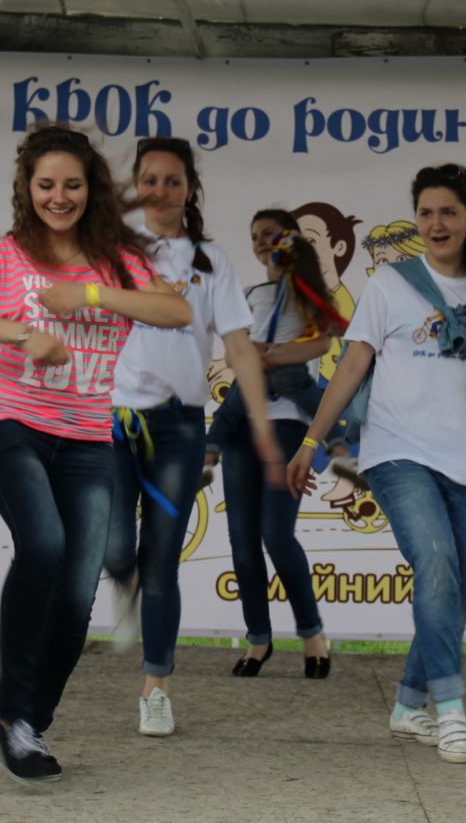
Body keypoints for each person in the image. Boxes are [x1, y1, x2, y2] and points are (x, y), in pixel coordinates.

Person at [287, 164, 466, 763]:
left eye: (448, 212)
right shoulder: (391, 284)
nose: (436, 223)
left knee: (460, 593)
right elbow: (352, 365)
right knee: (437, 564)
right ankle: (450, 710)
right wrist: (312, 441)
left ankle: (407, 704)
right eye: (426, 213)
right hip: (399, 453)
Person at [0, 124, 189, 785]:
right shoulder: (5, 255)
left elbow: (175, 312)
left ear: (90, 189)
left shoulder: (117, 259)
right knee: (43, 545)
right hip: (15, 427)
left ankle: (27, 723)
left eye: (72, 184)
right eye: (46, 185)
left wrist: (90, 294)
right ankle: (12, 707)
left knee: (75, 595)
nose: (59, 196)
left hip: (89, 441)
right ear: (28, 189)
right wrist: (22, 333)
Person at [103, 137, 280, 736]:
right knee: (112, 545)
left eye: (172, 180)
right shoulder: (112, 248)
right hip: (111, 418)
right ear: (135, 185)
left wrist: (260, 423)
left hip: (179, 425)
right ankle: (122, 578)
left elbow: (238, 348)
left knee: (161, 560)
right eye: (149, 180)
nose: (160, 191)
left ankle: (156, 687)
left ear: (190, 189)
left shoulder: (211, 260)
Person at [212, 209, 337, 680]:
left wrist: (273, 355)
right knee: (241, 538)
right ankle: (258, 639)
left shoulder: (308, 290)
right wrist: (249, 355)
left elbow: (321, 345)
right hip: (243, 425)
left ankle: (312, 634)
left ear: (291, 238)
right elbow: (233, 352)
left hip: (287, 425)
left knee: (276, 535)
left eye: (270, 233)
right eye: (255, 236)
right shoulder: (249, 295)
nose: (261, 242)